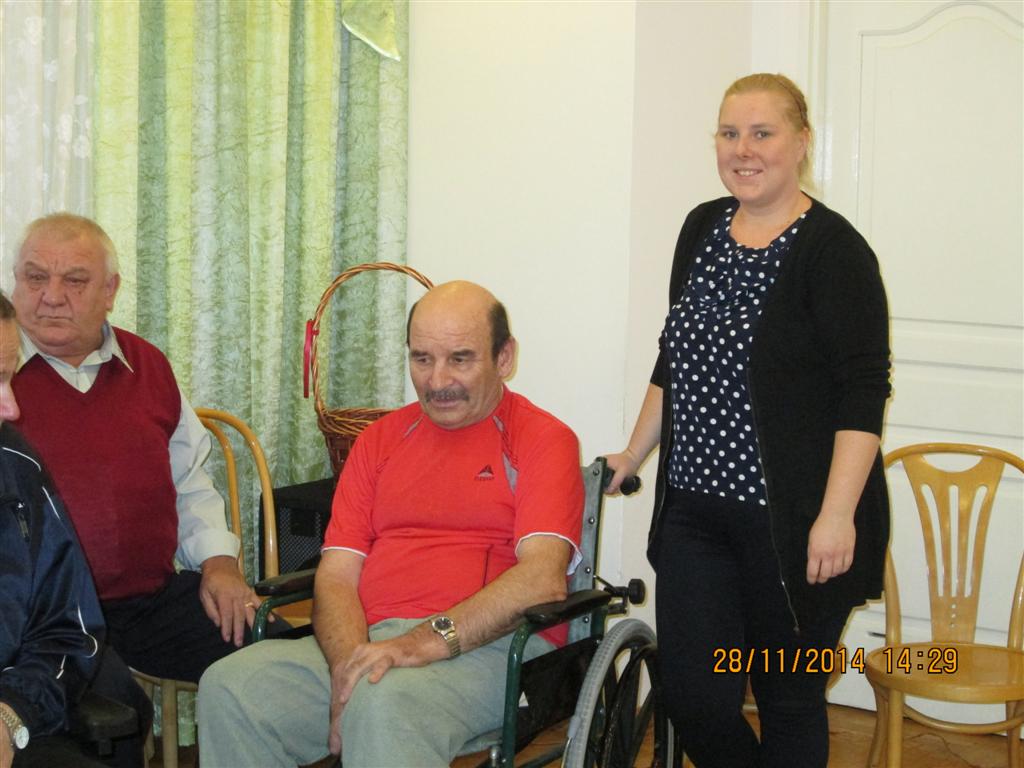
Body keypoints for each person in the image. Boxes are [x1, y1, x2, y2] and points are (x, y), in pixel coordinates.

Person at [605, 73, 891, 768]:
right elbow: (675, 356)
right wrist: (633, 454)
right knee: (694, 695)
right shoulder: (701, 227)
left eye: (762, 133)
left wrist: (836, 516)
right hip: (695, 516)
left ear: (802, 142)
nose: (743, 149)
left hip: (794, 523)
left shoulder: (835, 252)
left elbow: (862, 393)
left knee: (788, 696)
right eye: (730, 133)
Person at [198, 280, 584, 767]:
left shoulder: (543, 439)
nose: (437, 380)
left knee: (382, 699)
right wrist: (348, 669)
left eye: (460, 359)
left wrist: (416, 645)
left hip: (495, 648)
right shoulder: (378, 442)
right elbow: (337, 575)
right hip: (372, 642)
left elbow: (541, 580)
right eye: (422, 359)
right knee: (230, 687)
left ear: (504, 358)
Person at [10, 213, 263, 684]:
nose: (52, 296)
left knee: (284, 661)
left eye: (75, 280)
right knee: (115, 715)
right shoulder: (3, 375)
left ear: (110, 290)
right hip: (39, 618)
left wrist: (220, 563)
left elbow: (189, 482)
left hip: (151, 601)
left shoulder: (148, 366)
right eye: (36, 277)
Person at [0, 292, 107, 768]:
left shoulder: (16, 468)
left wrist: (11, 713)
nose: (11, 408)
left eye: (9, 377)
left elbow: (66, 629)